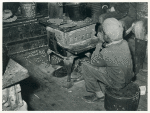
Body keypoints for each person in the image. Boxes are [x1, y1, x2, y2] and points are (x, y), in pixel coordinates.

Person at [81, 18, 134, 103]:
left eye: (103, 32)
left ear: (106, 36)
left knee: (86, 66)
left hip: (117, 84)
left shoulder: (107, 52)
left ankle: (99, 95)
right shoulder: (125, 43)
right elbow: (112, 48)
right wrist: (105, 42)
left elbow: (93, 61)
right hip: (128, 78)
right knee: (110, 64)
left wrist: (99, 43)